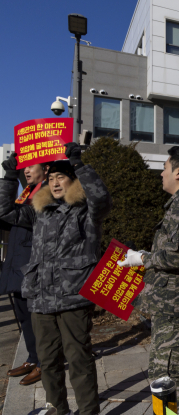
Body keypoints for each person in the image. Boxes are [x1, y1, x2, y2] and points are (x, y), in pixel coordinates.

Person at [0, 143, 112, 415]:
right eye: (50, 179)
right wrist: (8, 177)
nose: (55, 182)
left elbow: (102, 198)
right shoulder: (38, 210)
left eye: (60, 177)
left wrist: (79, 165)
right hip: (40, 298)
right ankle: (58, 409)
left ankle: (88, 411)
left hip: (73, 297)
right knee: (48, 362)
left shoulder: (86, 211)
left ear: (71, 181)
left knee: (79, 360)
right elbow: (5, 212)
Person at [119, 145, 179, 415]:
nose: (162, 173)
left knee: (168, 376)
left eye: (165, 167)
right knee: (177, 367)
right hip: (174, 302)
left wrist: (143, 259)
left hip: (177, 303)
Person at [0, 162, 51, 386]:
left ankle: (45, 364)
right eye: (24, 168)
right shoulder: (27, 193)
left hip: (32, 268)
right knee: (24, 318)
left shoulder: (48, 194)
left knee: (37, 319)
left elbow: (7, 212)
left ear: (46, 169)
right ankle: (33, 358)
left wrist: (9, 177)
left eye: (32, 167)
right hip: (18, 266)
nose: (26, 171)